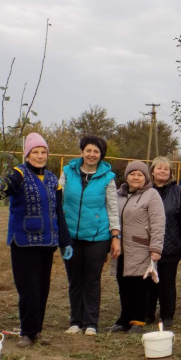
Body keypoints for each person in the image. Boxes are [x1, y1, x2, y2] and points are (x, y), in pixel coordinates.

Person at [4, 132, 73, 347]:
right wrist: (7, 181)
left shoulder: (53, 180)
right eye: (35, 152)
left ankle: (37, 331)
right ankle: (27, 332)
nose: (40, 156)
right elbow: (4, 191)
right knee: (28, 289)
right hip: (24, 241)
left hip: (47, 243)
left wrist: (65, 241)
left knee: (43, 288)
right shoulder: (19, 173)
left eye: (43, 152)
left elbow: (58, 212)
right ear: (27, 155)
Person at [60, 135, 121, 336]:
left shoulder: (107, 177)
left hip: (97, 236)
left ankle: (91, 323)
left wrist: (115, 236)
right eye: (88, 150)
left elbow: (112, 208)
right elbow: (58, 201)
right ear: (82, 152)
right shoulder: (68, 172)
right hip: (71, 237)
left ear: (101, 155)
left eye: (96, 151)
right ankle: (75, 321)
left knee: (92, 279)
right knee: (74, 279)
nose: (92, 154)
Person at [110, 161, 165, 334]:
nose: (135, 177)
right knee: (123, 283)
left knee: (139, 286)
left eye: (140, 174)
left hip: (141, 247)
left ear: (146, 177)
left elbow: (158, 222)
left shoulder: (151, 195)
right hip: (121, 248)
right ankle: (124, 319)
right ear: (126, 176)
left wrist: (156, 248)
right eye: (132, 173)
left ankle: (139, 320)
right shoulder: (118, 195)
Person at [146, 157, 181, 329]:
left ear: (170, 173)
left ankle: (167, 315)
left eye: (166, 169)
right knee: (147, 280)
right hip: (146, 244)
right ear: (152, 171)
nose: (162, 171)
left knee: (167, 281)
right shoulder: (144, 191)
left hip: (171, 244)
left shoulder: (179, 192)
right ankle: (147, 313)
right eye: (159, 168)